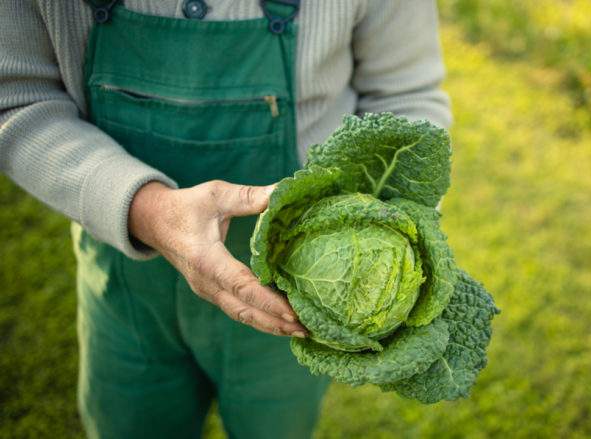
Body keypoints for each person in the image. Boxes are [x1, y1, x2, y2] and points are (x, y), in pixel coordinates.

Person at [0, 0, 451, 437]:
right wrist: (144, 209)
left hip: (293, 309)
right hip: (125, 282)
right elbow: (16, 99)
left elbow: (407, 96)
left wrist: (381, 249)